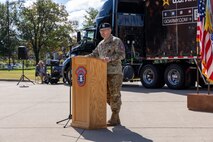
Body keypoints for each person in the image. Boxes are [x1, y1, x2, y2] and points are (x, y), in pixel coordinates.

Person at [86, 23, 125, 126]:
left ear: (110, 30)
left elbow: (122, 55)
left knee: (115, 95)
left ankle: (114, 116)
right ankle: (116, 116)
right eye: (101, 31)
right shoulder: (101, 44)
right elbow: (94, 54)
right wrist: (83, 58)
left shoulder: (116, 41)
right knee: (106, 95)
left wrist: (110, 59)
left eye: (105, 30)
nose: (103, 32)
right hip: (102, 73)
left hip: (115, 73)